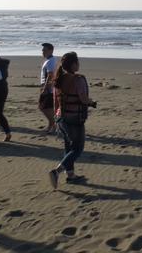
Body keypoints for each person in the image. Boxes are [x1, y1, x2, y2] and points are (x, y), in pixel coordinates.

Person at [48, 52, 96, 189]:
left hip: (61, 117)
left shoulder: (59, 79)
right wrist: (91, 102)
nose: (79, 64)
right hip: (74, 118)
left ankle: (71, 175)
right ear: (73, 64)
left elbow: (55, 100)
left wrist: (55, 118)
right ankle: (56, 171)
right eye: (77, 62)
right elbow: (83, 99)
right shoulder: (78, 79)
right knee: (77, 149)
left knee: (68, 147)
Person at [39, 43, 57, 133]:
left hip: (49, 88)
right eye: (42, 50)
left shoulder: (50, 61)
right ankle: (51, 125)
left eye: (44, 50)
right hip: (48, 87)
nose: (43, 51)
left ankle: (54, 125)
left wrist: (45, 88)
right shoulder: (49, 60)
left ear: (51, 50)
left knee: (43, 107)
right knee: (48, 107)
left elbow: (50, 75)